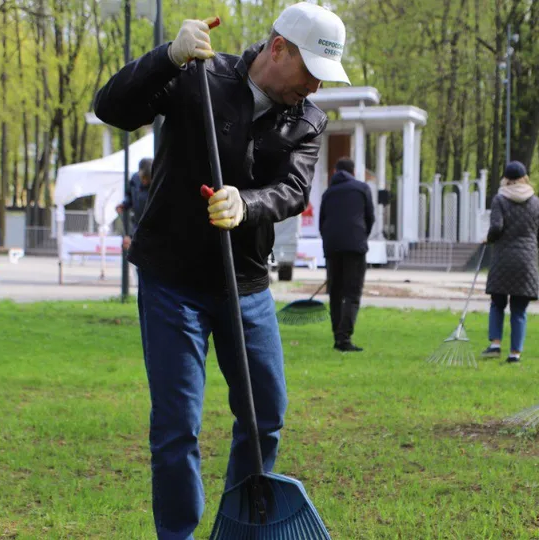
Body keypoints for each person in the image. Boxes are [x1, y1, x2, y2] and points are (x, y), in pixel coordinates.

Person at [92, 3, 350, 538]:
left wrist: (246, 203)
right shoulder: (198, 77)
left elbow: (294, 189)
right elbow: (111, 107)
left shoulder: (307, 119)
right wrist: (165, 57)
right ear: (278, 48)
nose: (316, 89)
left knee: (265, 416)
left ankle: (241, 526)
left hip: (246, 285)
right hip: (172, 280)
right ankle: (179, 535)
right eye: (311, 74)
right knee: (176, 427)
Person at [481, 161, 539, 363]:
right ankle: (515, 353)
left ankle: (495, 344)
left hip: (503, 259)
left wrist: (489, 239)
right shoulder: (537, 203)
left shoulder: (500, 199)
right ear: (525, 178)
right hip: (526, 261)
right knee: (519, 310)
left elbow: (497, 227)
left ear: (506, 179)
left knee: (497, 303)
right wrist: (534, 251)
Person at [319, 157, 374, 352]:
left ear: (335, 171)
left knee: (335, 293)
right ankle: (344, 338)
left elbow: (322, 222)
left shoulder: (328, 193)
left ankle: (337, 336)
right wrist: (360, 237)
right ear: (353, 172)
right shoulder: (362, 189)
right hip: (355, 247)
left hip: (332, 247)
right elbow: (370, 218)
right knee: (352, 293)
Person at [116, 157, 153, 250]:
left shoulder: (155, 184)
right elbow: (129, 195)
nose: (145, 181)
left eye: (148, 179)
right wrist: (124, 204)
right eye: (143, 178)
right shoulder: (135, 179)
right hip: (137, 224)